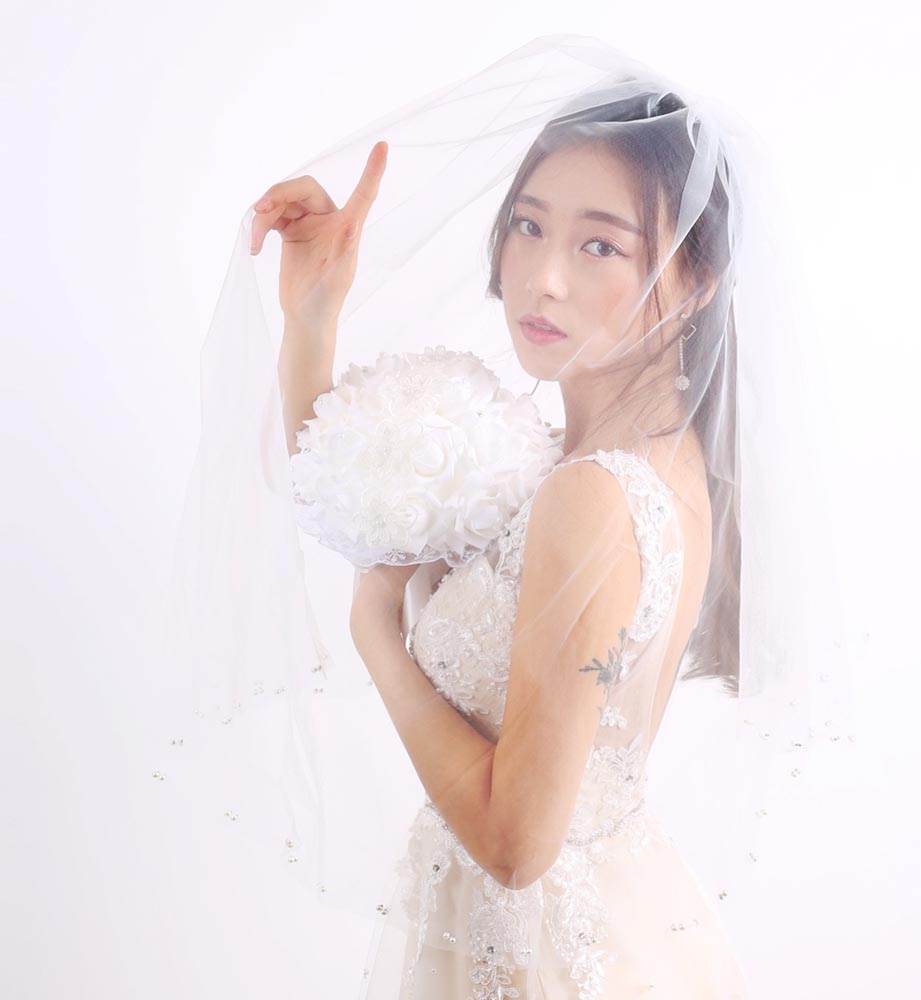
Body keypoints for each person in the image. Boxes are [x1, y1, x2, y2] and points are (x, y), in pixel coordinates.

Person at [166, 34, 853, 1000]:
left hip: (552, 958)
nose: (543, 277)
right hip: (599, 923)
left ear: (695, 278)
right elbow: (365, 509)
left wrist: (377, 639)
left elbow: (517, 844)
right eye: (529, 226)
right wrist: (314, 317)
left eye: (600, 244)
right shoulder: (621, 460)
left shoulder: (592, 496)